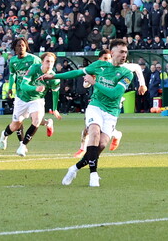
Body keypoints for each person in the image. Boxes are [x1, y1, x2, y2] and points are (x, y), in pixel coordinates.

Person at [49, 39, 136, 187]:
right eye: (121, 51)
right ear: (112, 52)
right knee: (94, 133)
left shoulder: (127, 73)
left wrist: (95, 83)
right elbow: (77, 72)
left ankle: (74, 168)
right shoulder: (99, 65)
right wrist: (54, 76)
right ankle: (93, 175)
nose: (124, 55)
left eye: (126, 52)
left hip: (112, 112)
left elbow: (115, 94)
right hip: (95, 106)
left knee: (100, 145)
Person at [0, 52, 62, 156]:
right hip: (22, 98)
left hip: (37, 99)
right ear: (42, 62)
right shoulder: (34, 68)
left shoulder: (53, 77)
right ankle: (4, 135)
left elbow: (56, 93)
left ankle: (22, 146)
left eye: (52, 62)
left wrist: (54, 108)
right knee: (16, 125)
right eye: (47, 61)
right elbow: (23, 86)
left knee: (36, 120)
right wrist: (35, 88)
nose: (49, 64)